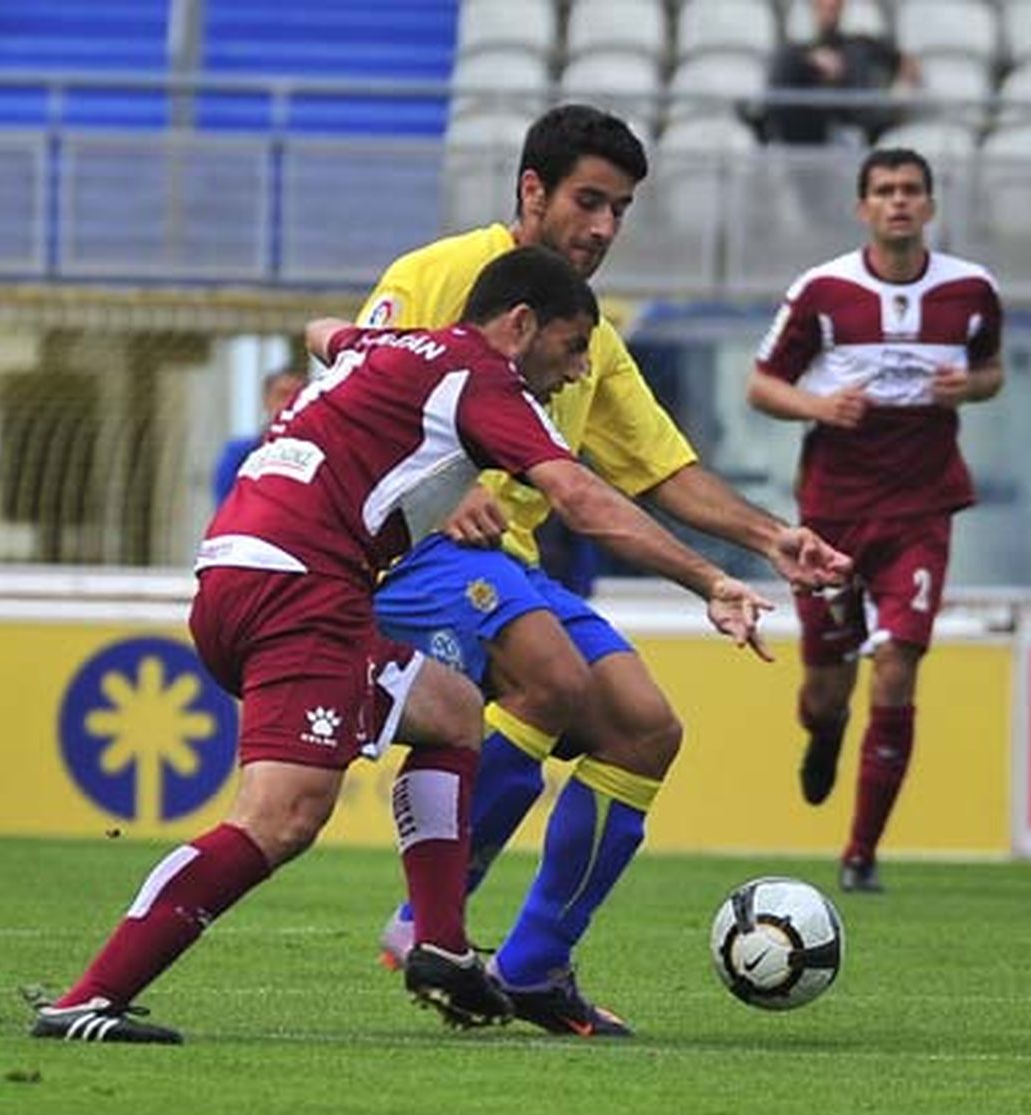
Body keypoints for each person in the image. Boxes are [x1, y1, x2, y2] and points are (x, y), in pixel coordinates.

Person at [26, 246, 784, 1043]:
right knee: (280, 818)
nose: (574, 374)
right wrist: (711, 580)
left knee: (453, 709)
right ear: (519, 325)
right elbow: (582, 499)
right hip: (299, 587)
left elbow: (325, 332)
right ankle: (89, 997)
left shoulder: (392, 346)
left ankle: (440, 944)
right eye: (570, 348)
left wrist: (343, 358)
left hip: (248, 568)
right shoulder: (485, 380)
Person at [360, 103, 851, 1037]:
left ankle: (535, 968)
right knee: (552, 674)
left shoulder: (590, 340)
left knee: (643, 727)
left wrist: (767, 537)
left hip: (513, 567)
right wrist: (438, 486)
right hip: (421, 553)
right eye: (589, 201)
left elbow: (662, 470)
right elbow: (347, 391)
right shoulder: (432, 276)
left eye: (619, 209)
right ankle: (432, 917)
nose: (603, 227)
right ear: (532, 190)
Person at [746, 147, 1004, 894]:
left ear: (929, 204)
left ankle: (861, 853)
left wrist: (972, 386)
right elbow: (762, 385)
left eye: (911, 190)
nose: (898, 202)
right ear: (863, 206)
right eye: (884, 191)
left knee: (896, 666)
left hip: (921, 509)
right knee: (828, 689)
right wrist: (819, 406)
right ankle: (824, 736)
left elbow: (993, 372)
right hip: (832, 512)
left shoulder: (972, 290)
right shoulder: (824, 291)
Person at [754, 0, 921, 146]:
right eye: (822, 4)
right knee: (787, 60)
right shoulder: (793, 52)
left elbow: (907, 64)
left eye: (835, 4)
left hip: (855, 126)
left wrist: (899, 92)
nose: (829, 8)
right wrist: (810, 61)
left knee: (858, 52)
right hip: (804, 131)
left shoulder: (859, 45)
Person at [211, 366, 303, 507]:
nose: (290, 403)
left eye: (298, 396)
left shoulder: (324, 454)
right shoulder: (239, 453)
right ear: (266, 400)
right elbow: (224, 505)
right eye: (282, 395)